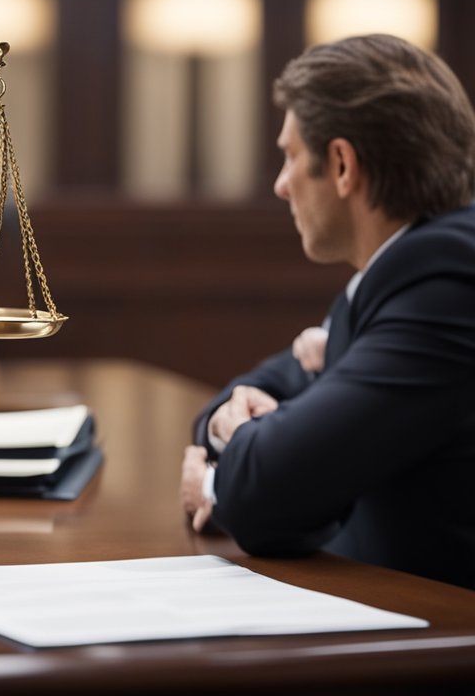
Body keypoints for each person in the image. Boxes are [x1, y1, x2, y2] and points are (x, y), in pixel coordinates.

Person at [180, 33, 475, 590]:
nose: (280, 184)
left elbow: (267, 495)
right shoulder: (401, 271)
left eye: (290, 156)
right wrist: (232, 426)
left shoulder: (448, 284)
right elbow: (270, 380)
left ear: (341, 164)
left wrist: (219, 483)